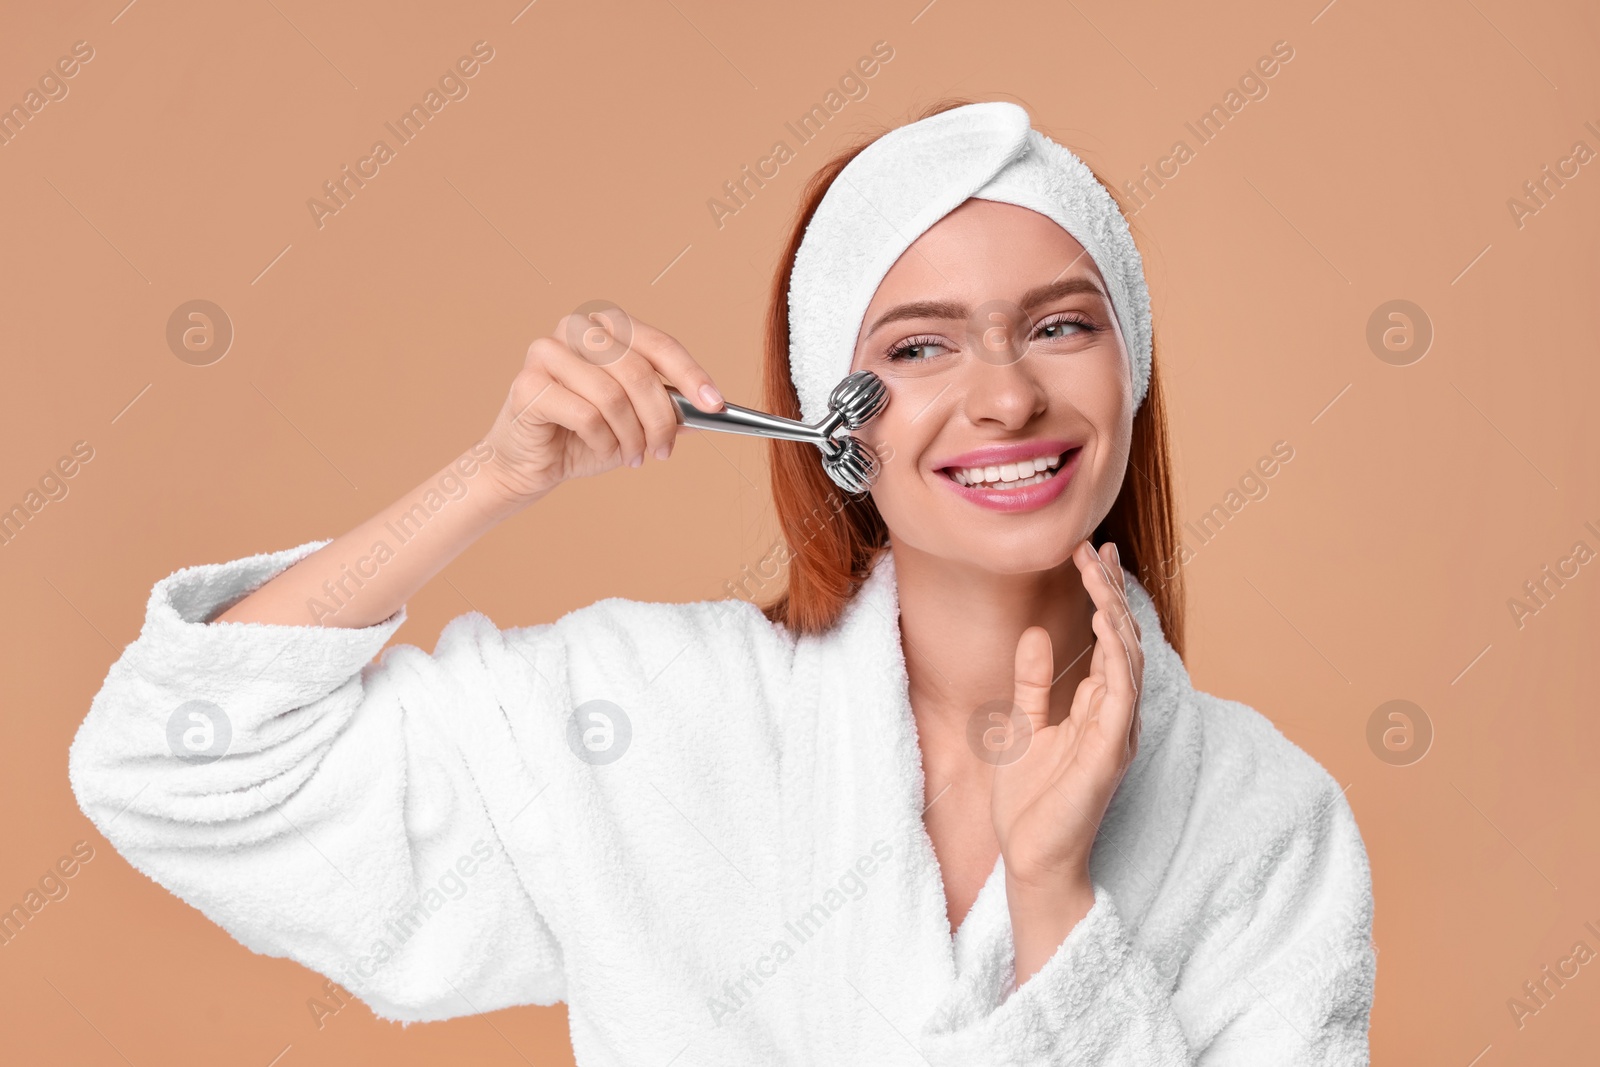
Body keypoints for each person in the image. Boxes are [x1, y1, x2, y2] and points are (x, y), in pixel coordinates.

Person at [69, 99, 1376, 1065]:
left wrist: (1054, 907)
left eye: (1061, 323)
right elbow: (180, 765)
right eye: (918, 347)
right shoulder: (647, 721)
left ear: (1130, 370)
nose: (1007, 394)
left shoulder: (1264, 821)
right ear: (837, 426)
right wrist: (488, 478)